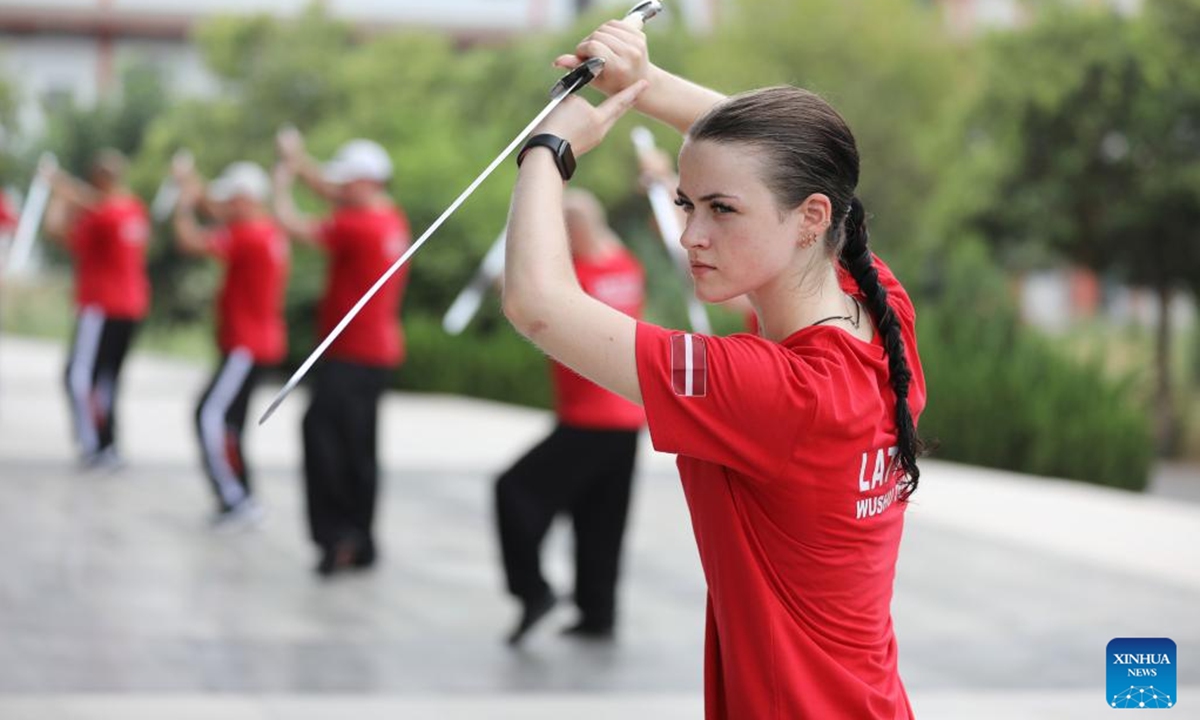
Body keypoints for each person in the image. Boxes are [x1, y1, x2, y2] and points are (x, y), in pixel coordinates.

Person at [501, 19, 927, 720]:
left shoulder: (772, 389)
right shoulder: (882, 316)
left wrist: (550, 149)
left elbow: (537, 303)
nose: (692, 235)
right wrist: (640, 83)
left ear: (811, 218)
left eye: (721, 210)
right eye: (686, 204)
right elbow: (785, 159)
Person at [496, 188, 646, 646]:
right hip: (627, 419)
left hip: (590, 419)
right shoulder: (626, 266)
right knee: (600, 517)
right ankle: (598, 612)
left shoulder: (576, 277)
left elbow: (531, 298)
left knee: (514, 489)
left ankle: (533, 590)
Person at [274, 133, 411, 576]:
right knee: (359, 448)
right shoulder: (390, 218)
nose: (338, 189)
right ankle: (363, 540)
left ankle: (338, 538)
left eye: (347, 182)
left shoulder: (357, 226)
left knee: (322, 437)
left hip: (349, 353)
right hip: (376, 352)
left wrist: (281, 181)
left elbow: (292, 223)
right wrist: (300, 160)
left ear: (367, 181)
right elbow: (332, 191)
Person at [172, 158, 289, 529]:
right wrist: (193, 182)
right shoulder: (265, 229)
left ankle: (236, 498)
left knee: (211, 417)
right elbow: (218, 209)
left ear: (247, 198)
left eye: (231, 200)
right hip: (254, 343)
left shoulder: (248, 235)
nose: (225, 207)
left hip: (245, 345)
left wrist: (183, 203)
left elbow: (189, 241)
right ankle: (241, 496)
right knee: (230, 425)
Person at [43, 150, 151, 470]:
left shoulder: (115, 210)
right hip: (124, 307)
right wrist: (60, 196)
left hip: (104, 307)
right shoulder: (118, 212)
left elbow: (94, 208)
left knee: (81, 377)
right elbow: (57, 231)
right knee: (103, 380)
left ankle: (96, 445)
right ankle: (107, 444)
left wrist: (62, 188)